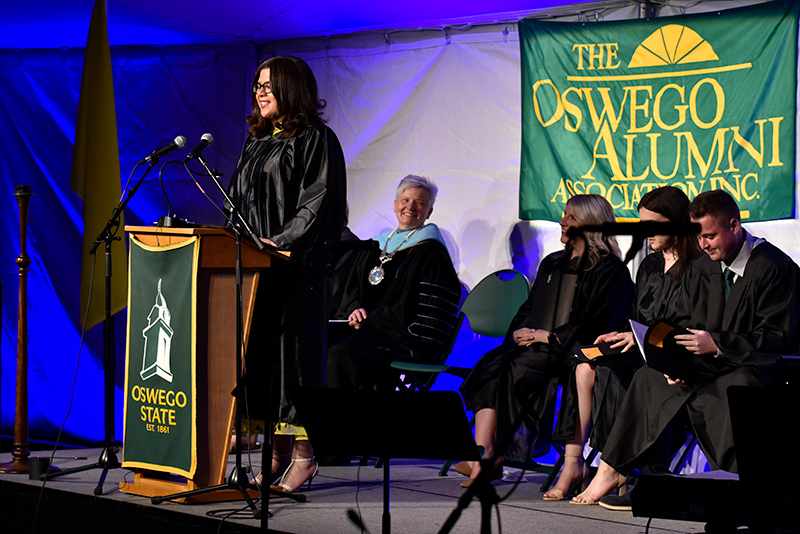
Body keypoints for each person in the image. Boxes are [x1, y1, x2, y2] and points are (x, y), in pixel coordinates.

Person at [573, 189, 800, 506]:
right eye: (699, 237)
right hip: (706, 365)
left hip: (752, 366)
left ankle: (740, 486)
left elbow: (777, 337)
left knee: (733, 389)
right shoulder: (705, 267)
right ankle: (617, 469)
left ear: (734, 225)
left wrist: (717, 344)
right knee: (650, 378)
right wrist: (675, 363)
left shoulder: (773, 268)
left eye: (710, 236)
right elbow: (683, 322)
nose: (703, 245)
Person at [226, 55, 347, 495]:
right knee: (265, 364)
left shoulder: (318, 139)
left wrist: (282, 242)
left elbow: (318, 203)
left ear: (291, 88)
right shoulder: (256, 142)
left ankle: (305, 456)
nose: (259, 92)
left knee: (295, 364)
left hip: (297, 269)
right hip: (259, 271)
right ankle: (276, 456)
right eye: (257, 85)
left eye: (268, 85)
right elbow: (236, 202)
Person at [458, 194, 633, 488]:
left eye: (572, 217)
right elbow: (531, 307)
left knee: (515, 366)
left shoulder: (609, 270)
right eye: (565, 215)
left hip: (576, 350)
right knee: (494, 360)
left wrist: (551, 337)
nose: (563, 222)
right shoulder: (553, 262)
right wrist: (520, 331)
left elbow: (596, 320)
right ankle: (485, 456)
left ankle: (494, 454)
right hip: (540, 344)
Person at [543, 186, 702, 501]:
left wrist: (640, 336)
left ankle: (613, 464)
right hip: (640, 348)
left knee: (614, 373)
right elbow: (637, 314)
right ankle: (576, 462)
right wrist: (622, 333)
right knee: (584, 363)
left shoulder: (699, 267)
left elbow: (693, 323)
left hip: (674, 355)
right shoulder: (649, 264)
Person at [327, 175, 461, 391]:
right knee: (317, 342)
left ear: (429, 212)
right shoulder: (377, 244)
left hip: (404, 339)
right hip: (368, 329)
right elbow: (352, 287)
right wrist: (354, 309)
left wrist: (373, 319)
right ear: (395, 204)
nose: (410, 207)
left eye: (419, 202)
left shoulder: (432, 252)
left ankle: (344, 423)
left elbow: (419, 308)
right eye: (405, 200)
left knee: (342, 353)